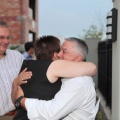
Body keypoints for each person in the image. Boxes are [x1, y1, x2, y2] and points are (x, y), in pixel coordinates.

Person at [13, 36, 99, 120]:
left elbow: (51, 113)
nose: (58, 54)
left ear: (78, 58)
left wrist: (21, 100)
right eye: (60, 50)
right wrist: (16, 82)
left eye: (64, 51)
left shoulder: (78, 82)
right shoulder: (66, 75)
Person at [0, 20, 24, 118]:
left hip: (18, 115)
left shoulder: (16, 56)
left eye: (8, 37)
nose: (6, 41)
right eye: (1, 37)